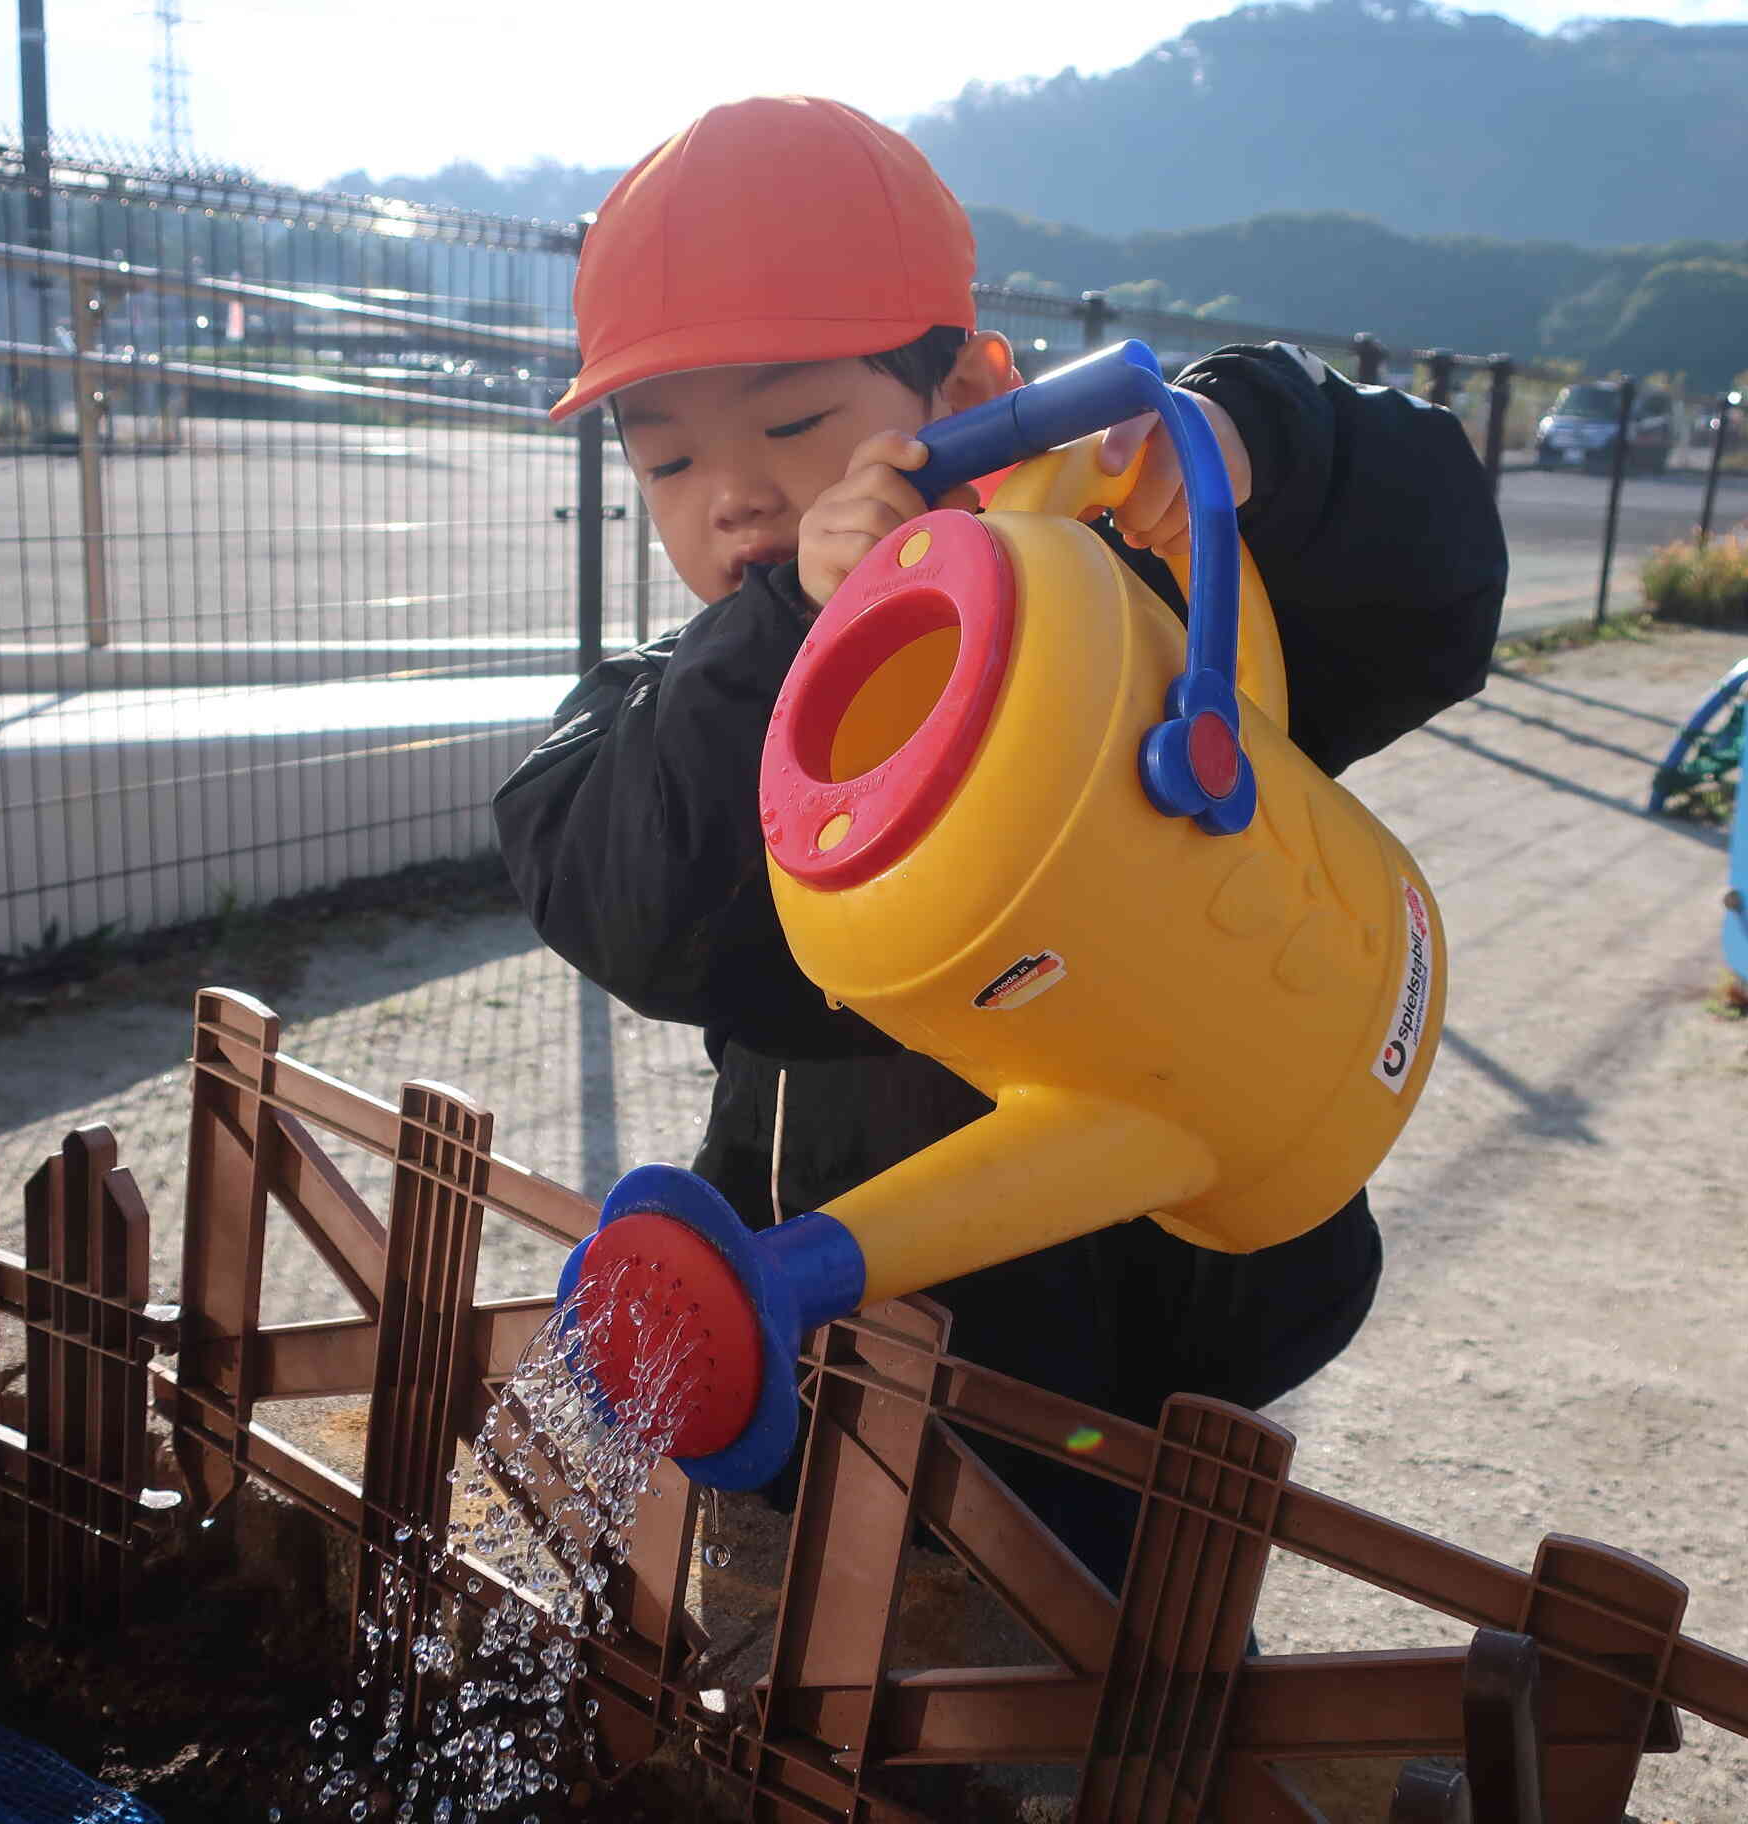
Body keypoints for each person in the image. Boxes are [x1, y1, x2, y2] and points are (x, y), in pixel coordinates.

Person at [493, 96, 1506, 1591]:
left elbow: (1436, 570)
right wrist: (793, 628)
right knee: (776, 1679)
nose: (738, 497)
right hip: (817, 1370)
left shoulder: (1128, 611)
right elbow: (621, 891)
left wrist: (1250, 438)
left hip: (1130, 1381)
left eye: (789, 424)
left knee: (1104, 1707)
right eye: (667, 462)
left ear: (972, 386)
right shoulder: (712, 689)